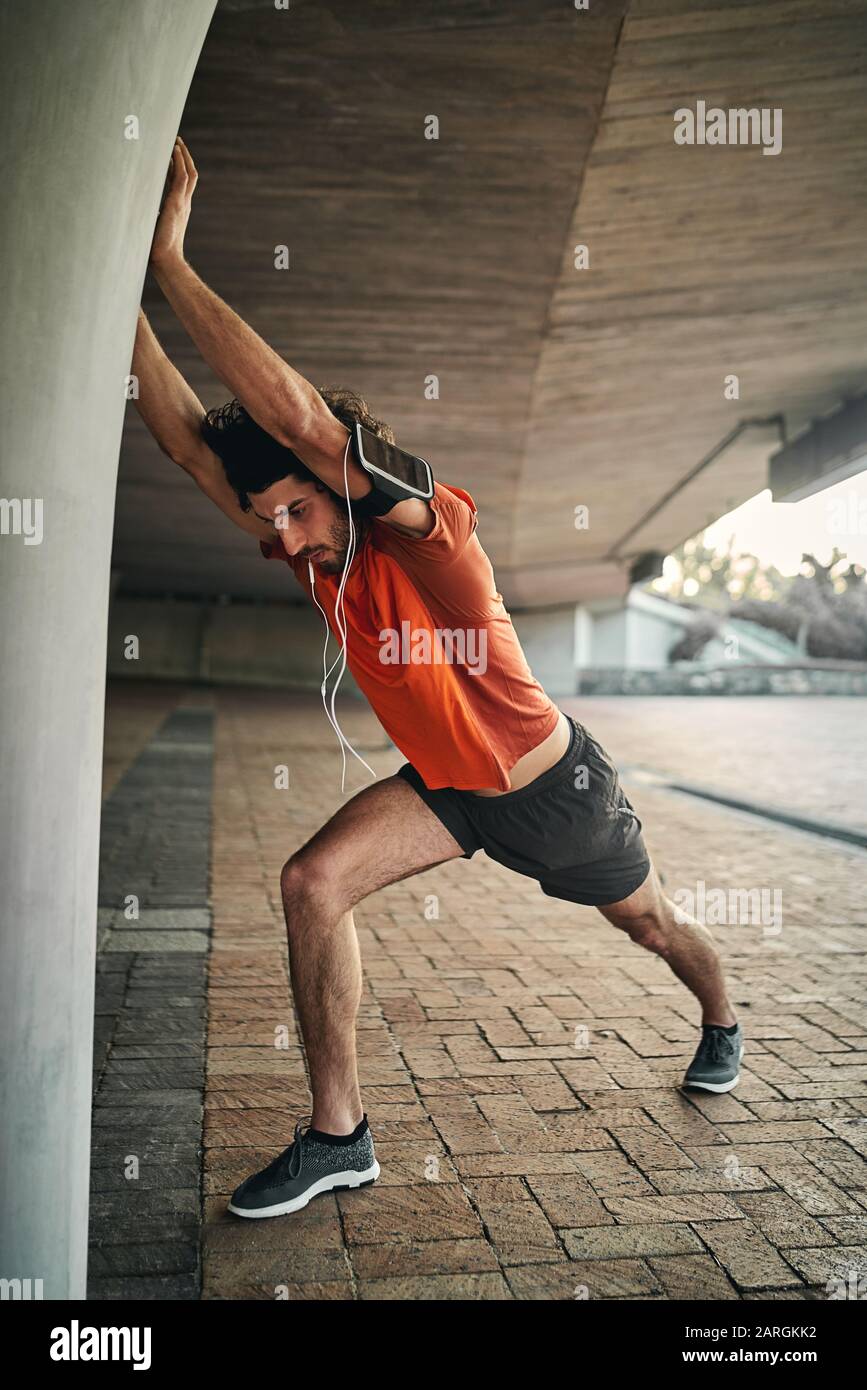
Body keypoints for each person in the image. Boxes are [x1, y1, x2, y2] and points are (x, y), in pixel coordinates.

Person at [130, 137, 743, 1220]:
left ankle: (722, 1016)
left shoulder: (434, 540)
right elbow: (189, 446)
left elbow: (302, 422)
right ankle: (340, 1137)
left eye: (297, 508)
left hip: (557, 795)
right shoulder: (310, 548)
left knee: (651, 926)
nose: (281, 534)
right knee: (311, 882)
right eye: (269, 517)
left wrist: (169, 261)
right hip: (451, 791)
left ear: (343, 484)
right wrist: (114, 283)